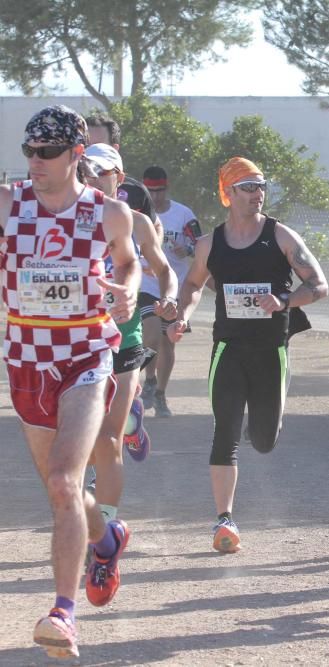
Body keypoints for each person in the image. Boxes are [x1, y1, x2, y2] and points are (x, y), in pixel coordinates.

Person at [1, 105, 139, 659]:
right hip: (25, 360)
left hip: (87, 354)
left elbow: (128, 264)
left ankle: (63, 613)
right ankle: (107, 540)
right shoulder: (8, 204)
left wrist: (127, 290)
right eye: (29, 152)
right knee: (63, 489)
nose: (35, 162)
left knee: (63, 479)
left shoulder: (108, 214)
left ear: (76, 155)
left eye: (47, 153)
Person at [167, 157, 329, 554]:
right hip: (228, 348)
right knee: (225, 431)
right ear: (228, 193)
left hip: (272, 349)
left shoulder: (281, 237)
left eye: (261, 186)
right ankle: (224, 519)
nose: (258, 193)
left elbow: (320, 284)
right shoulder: (211, 244)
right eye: (248, 186)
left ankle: (264, 420)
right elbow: (191, 284)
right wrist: (183, 316)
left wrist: (285, 300)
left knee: (264, 440)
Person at [82, 143, 177, 533]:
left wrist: (169, 299)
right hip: (78, 339)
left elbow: (164, 269)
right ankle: (129, 425)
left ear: (119, 178)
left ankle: (103, 532)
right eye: (85, 171)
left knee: (108, 439)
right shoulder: (61, 218)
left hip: (124, 333)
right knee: (82, 434)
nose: (91, 179)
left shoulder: (135, 222)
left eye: (101, 173)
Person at [137, 165, 199, 418]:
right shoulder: (136, 213)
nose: (155, 195)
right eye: (150, 190)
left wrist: (188, 251)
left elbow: (200, 243)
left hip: (174, 286)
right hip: (145, 286)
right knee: (150, 334)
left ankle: (160, 392)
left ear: (167, 187)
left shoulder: (183, 214)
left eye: (160, 190)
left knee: (168, 342)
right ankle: (149, 378)